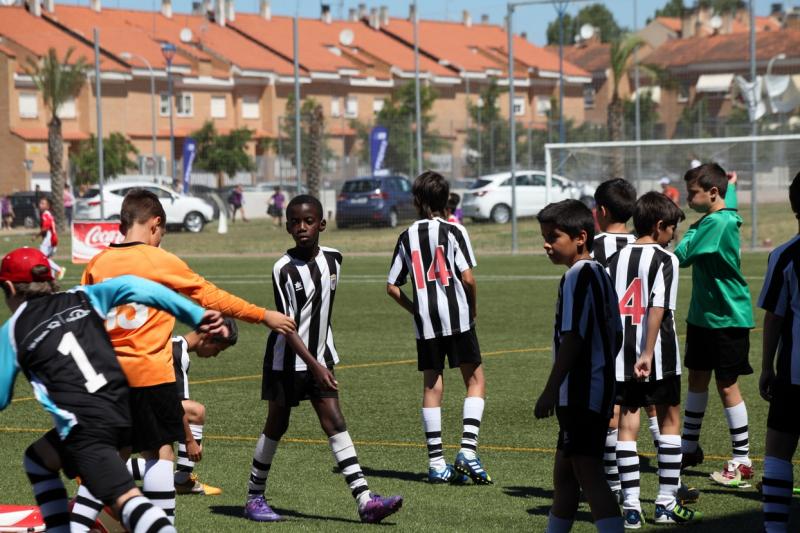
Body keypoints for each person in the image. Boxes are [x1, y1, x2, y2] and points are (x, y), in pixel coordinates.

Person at [72, 189, 296, 530]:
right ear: (155, 225)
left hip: (108, 379)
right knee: (160, 454)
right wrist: (263, 315)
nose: (161, 239)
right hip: (150, 374)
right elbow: (212, 297)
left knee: (110, 460)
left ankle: (74, 523)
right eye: (161, 233)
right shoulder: (160, 261)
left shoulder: (97, 264)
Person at [0, 247, 226, 533]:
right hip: (124, 407)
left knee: (127, 500)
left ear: (8, 287)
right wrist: (193, 312)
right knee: (39, 458)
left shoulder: (12, 329)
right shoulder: (82, 296)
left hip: (86, 426)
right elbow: (135, 285)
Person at [245, 195, 403, 523]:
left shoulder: (335, 259)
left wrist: (321, 359)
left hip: (321, 358)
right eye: (294, 222)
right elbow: (287, 326)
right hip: (286, 362)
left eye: (308, 221)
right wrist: (314, 365)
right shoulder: (283, 269)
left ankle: (365, 501)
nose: (301, 227)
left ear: (322, 224)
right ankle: (253, 497)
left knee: (335, 421)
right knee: (277, 424)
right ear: (286, 225)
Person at [386, 171, 490, 485]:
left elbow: (392, 286)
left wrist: (416, 309)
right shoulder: (455, 231)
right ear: (446, 200)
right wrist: (472, 308)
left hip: (426, 322)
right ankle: (468, 451)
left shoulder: (407, 236)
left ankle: (436, 464)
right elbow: (468, 278)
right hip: (457, 316)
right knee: (475, 379)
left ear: (417, 201)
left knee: (432, 386)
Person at [607, 192, 701, 527]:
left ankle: (631, 507)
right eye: (672, 228)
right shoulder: (666, 260)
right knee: (670, 421)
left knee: (627, 427)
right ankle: (664, 503)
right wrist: (647, 352)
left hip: (621, 357)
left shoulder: (615, 259)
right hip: (657, 354)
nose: (673, 235)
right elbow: (658, 307)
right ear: (659, 226)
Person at [535, 199, 623, 533]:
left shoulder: (577, 276)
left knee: (588, 473)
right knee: (565, 475)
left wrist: (550, 389)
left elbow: (572, 338)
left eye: (553, 236)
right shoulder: (600, 273)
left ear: (581, 237)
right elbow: (615, 334)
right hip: (593, 392)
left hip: (582, 395)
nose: (547, 243)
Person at [674, 164, 755, 486]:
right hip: (703, 317)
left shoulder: (716, 223)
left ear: (712, 193)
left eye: (692, 193)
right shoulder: (717, 214)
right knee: (697, 377)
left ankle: (742, 459)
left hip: (728, 317)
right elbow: (728, 199)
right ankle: (689, 447)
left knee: (727, 385)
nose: (687, 198)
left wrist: (689, 230)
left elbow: (681, 255)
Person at [592, 178, 661, 500]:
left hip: (609, 343)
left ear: (601, 211)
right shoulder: (644, 243)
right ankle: (668, 474)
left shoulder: (594, 246)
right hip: (644, 339)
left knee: (613, 413)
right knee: (653, 408)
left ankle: (613, 482)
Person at [127, 318, 239, 496]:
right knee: (195, 412)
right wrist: (190, 442)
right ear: (208, 338)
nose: (216, 355)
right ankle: (182, 480)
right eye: (218, 349)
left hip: (134, 407)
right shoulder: (177, 352)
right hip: (134, 411)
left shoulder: (174, 344)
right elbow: (175, 407)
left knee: (159, 460)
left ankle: (98, 470)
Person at [757, 172, 800, 533]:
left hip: (794, 373)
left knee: (778, 451)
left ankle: (775, 529)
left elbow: (774, 317)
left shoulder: (785, 255)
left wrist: (766, 367)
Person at [33, 196, 64, 280]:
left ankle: (59, 269)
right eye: (40, 203)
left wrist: (36, 236)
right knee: (48, 259)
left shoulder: (45, 214)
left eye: (43, 203)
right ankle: (52, 278)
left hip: (49, 240)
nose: (40, 205)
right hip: (53, 239)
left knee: (42, 258)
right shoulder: (49, 214)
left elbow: (45, 228)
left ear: (48, 206)